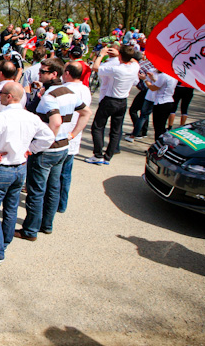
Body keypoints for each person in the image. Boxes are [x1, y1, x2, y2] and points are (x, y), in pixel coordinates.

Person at [0, 82, 54, 264]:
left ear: (9, 96)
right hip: (20, 167)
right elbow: (49, 137)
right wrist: (31, 148)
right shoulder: (31, 117)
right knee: (11, 206)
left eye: (1, 93)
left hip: (2, 168)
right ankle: (5, 240)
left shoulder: (1, 117)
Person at [16, 59, 91, 240]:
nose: (39, 74)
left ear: (54, 74)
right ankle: (47, 224)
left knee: (36, 190)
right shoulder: (68, 92)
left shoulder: (51, 97)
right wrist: (71, 135)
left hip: (46, 150)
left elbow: (55, 122)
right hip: (62, 147)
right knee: (53, 187)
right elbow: (86, 112)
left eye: (43, 72)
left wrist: (37, 146)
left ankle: (30, 230)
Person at [86, 44, 139, 165]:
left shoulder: (117, 69)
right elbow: (134, 60)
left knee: (98, 126)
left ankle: (98, 154)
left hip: (110, 100)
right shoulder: (135, 67)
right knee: (116, 130)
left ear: (120, 55)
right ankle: (108, 156)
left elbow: (95, 67)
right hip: (123, 101)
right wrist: (123, 54)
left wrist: (101, 54)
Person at [57, 62, 92, 214]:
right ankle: (62, 203)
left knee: (55, 175)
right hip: (73, 136)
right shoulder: (85, 90)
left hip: (62, 135)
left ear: (68, 73)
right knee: (65, 174)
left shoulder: (64, 90)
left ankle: (53, 202)